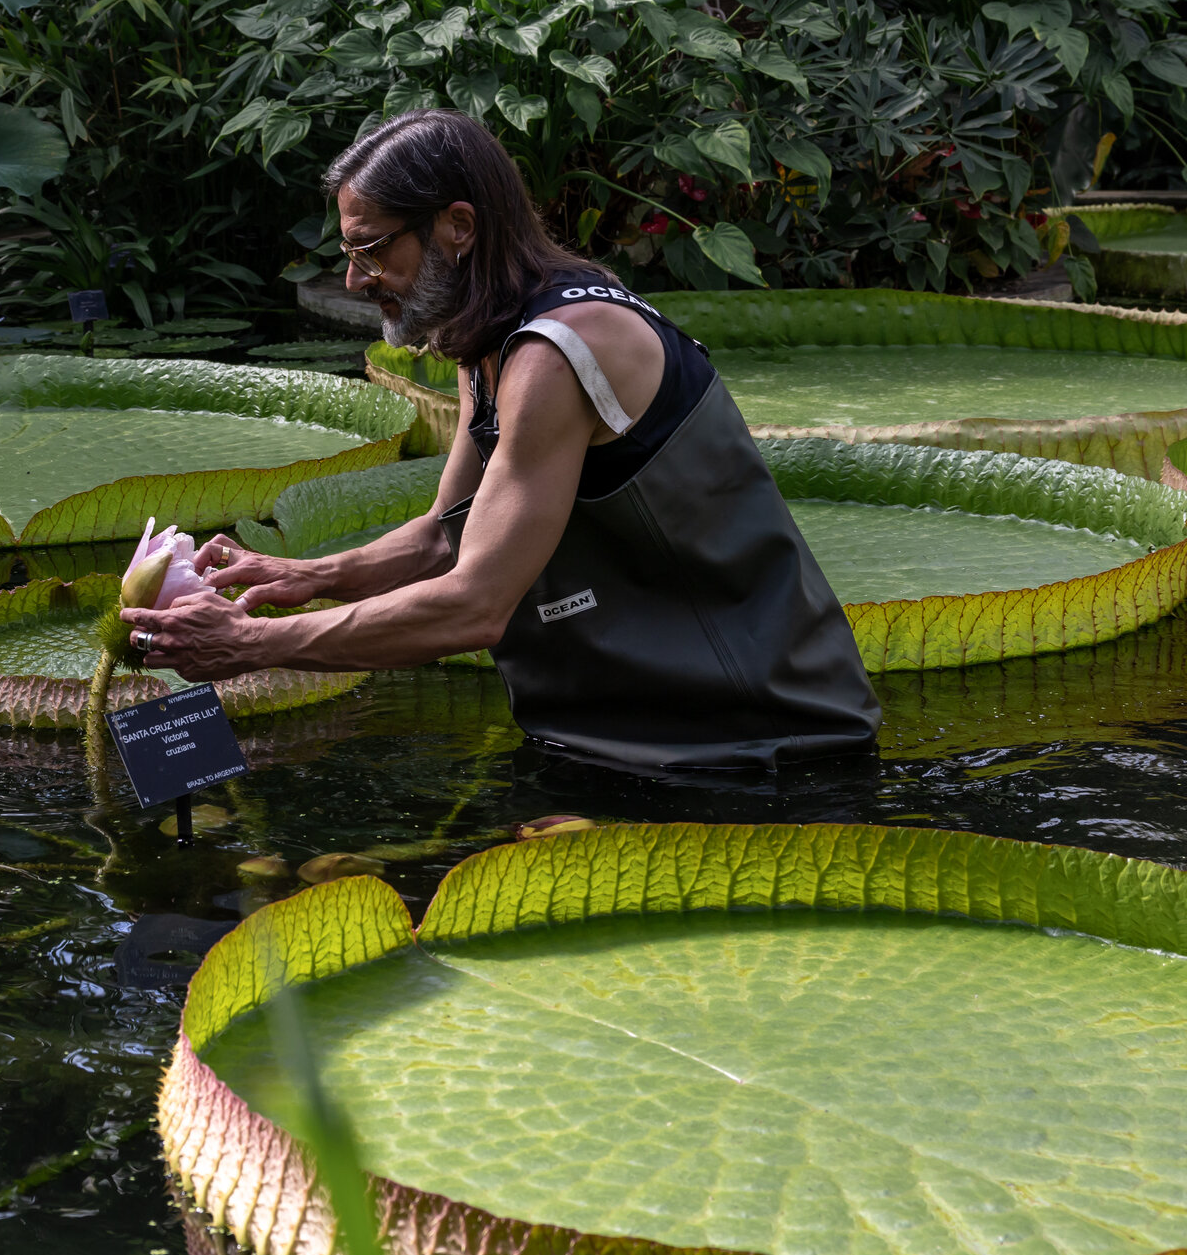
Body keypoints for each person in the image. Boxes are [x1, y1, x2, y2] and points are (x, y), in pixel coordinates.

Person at [120, 109, 879, 772]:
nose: (355, 280)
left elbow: (474, 604)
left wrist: (251, 646)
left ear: (457, 226)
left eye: (371, 249)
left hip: (761, 747)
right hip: (637, 736)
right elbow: (447, 540)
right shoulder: (486, 339)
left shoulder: (559, 352)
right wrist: (302, 573)